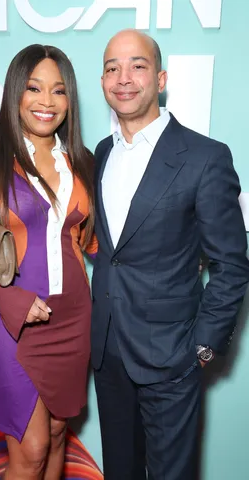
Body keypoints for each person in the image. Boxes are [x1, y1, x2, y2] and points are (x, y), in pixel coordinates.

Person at [91, 29, 249, 480]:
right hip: (107, 351)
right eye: (112, 67)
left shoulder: (205, 157)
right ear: (102, 81)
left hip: (171, 356)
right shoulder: (102, 153)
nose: (124, 78)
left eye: (137, 66)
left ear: (159, 79)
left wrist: (202, 346)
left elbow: (232, 265)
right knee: (119, 471)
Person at [0, 44, 97, 480]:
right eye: (34, 88)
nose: (47, 101)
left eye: (59, 91)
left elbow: (93, 244)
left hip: (71, 320)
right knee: (31, 447)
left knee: (60, 432)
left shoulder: (79, 163)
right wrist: (4, 298)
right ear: (15, 92)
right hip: (8, 320)